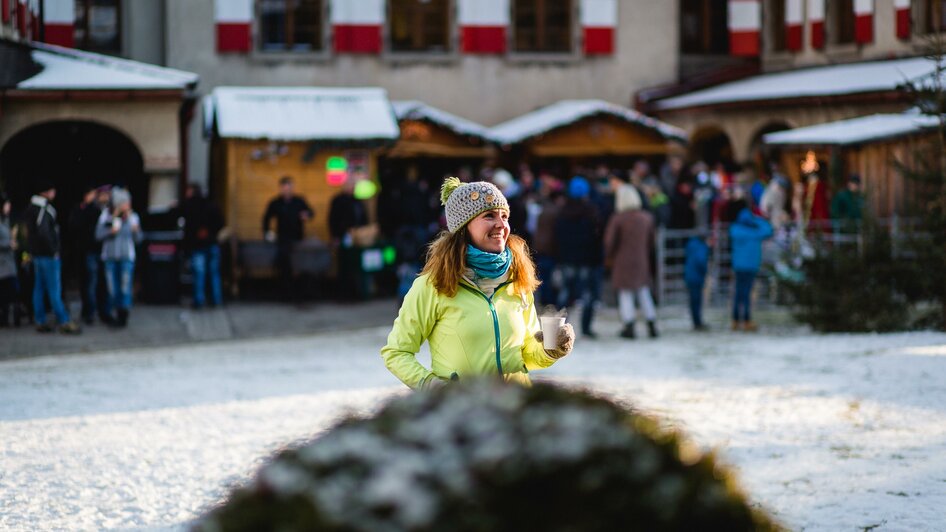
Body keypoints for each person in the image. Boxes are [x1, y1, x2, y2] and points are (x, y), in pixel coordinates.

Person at [381, 177, 574, 389]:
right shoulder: (433, 285)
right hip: (466, 413)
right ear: (464, 227)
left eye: (504, 216)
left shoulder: (517, 278)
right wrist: (434, 388)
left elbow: (525, 354)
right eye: (489, 216)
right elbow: (397, 352)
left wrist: (550, 348)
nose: (501, 225)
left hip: (517, 410)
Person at [23, 183, 80, 333]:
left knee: (39, 289)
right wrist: (54, 250)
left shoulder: (31, 207)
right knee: (54, 289)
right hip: (48, 256)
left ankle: (40, 320)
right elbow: (44, 233)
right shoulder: (43, 208)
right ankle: (64, 321)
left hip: (37, 255)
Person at [604, 185, 659, 339]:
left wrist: (608, 257)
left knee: (625, 294)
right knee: (643, 292)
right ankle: (651, 322)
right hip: (641, 259)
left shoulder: (618, 219)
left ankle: (629, 325)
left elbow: (609, 242)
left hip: (622, 261)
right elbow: (651, 241)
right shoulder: (646, 218)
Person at [555, 176, 602, 338]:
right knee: (587, 295)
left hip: (568, 259)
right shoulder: (591, 212)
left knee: (566, 293)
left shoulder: (563, 212)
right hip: (587, 261)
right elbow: (596, 238)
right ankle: (586, 328)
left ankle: (558, 328)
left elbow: (558, 237)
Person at [96, 187, 143, 327]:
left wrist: (136, 230)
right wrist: (111, 230)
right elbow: (98, 235)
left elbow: (139, 239)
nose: (126, 206)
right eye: (123, 203)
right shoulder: (106, 216)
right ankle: (113, 314)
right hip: (110, 258)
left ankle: (123, 317)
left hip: (126, 257)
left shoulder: (133, 217)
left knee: (125, 288)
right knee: (112, 289)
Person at [263, 176, 314, 298]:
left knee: (299, 262)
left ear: (292, 188)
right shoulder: (276, 202)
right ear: (281, 189)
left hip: (298, 238)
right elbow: (266, 218)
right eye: (284, 188)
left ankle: (299, 289)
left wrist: (306, 215)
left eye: (289, 188)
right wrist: (267, 233)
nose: (287, 191)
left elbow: (311, 213)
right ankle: (285, 290)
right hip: (283, 238)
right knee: (284, 261)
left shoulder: (299, 201)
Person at [68, 185, 110, 325]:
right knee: (90, 283)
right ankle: (90, 312)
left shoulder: (98, 210)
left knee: (99, 283)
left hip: (98, 251)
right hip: (88, 251)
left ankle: (99, 311)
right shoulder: (83, 210)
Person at [729, 206, 774, 332]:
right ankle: (747, 320)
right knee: (747, 294)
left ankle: (735, 320)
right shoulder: (755, 233)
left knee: (738, 294)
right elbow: (768, 229)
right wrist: (757, 219)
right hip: (750, 267)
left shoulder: (735, 230)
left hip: (738, 266)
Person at [181, 183, 224, 309]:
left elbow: (187, 226)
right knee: (214, 273)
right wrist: (211, 233)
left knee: (199, 274)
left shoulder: (190, 206)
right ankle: (216, 299)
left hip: (198, 245)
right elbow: (221, 223)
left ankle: (199, 300)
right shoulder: (212, 205)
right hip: (212, 243)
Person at [684, 235, 710, 331]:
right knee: (697, 301)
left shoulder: (690, 245)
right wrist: (705, 271)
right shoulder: (701, 247)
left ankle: (696, 321)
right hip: (697, 277)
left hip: (689, 276)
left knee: (693, 301)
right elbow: (701, 261)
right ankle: (697, 322)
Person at [0, 195, 16, 327]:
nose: (9, 207)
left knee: (9, 293)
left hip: (9, 263)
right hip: (2, 264)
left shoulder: (6, 220)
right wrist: (8, 244)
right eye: (7, 204)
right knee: (5, 293)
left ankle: (7, 318)